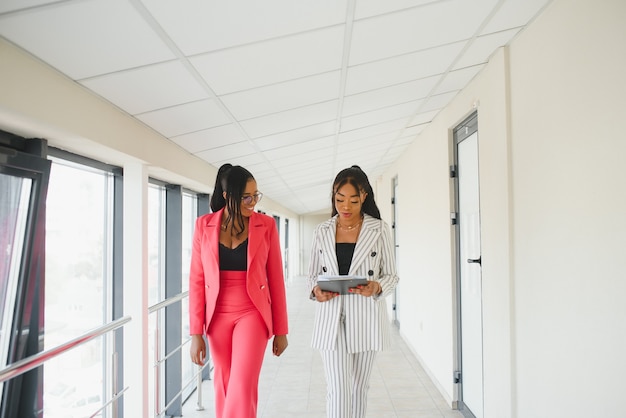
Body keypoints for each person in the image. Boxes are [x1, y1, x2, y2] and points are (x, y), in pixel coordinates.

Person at [189, 163, 289, 418]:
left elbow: (276, 279)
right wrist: (195, 333)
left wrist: (281, 330)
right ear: (227, 197)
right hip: (216, 317)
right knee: (223, 385)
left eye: (256, 195)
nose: (253, 201)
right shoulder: (204, 226)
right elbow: (197, 281)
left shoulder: (266, 226)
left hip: (252, 312)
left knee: (242, 386)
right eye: (246, 196)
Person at [307, 165, 399, 418]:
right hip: (331, 318)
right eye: (339, 200)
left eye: (353, 200)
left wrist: (377, 286)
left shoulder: (379, 229)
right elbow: (312, 276)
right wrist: (317, 290)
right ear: (333, 197)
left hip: (366, 316)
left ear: (365, 197)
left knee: (360, 388)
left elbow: (392, 275)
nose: (345, 207)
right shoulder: (322, 231)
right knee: (337, 388)